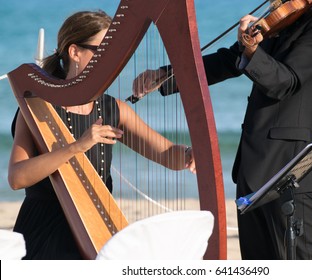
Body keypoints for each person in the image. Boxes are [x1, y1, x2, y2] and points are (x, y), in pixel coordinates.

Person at [132, 0, 312, 259]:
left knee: (298, 260)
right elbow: (230, 59)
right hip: (252, 161)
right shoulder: (290, 14)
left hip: (290, 165)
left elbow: (285, 81)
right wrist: (168, 75)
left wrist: (252, 51)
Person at [8, 10, 196, 260]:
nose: (110, 61)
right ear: (74, 52)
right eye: (101, 52)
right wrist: (77, 146)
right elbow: (17, 177)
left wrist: (192, 154)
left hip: (95, 224)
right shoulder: (35, 110)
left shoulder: (113, 109)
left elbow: (167, 155)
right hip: (44, 231)